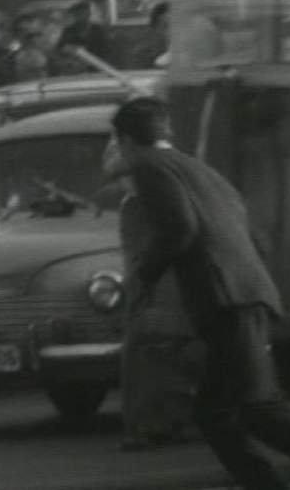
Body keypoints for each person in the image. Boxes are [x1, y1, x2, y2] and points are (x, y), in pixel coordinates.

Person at [111, 96, 290, 490]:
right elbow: (257, 236)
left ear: (126, 139)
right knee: (216, 412)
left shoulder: (148, 166)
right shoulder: (201, 170)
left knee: (260, 409)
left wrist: (142, 277)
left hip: (226, 297)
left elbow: (178, 229)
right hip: (245, 292)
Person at [102, 132, 201, 451]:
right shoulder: (154, 154)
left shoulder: (144, 158)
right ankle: (157, 422)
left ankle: (157, 422)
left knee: (151, 345)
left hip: (154, 259)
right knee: (154, 344)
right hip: (153, 244)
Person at [55, 0, 113, 70]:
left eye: (83, 13)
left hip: (98, 71)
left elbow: (107, 52)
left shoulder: (99, 31)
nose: (80, 17)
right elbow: (59, 51)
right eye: (77, 14)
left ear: (88, 14)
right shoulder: (68, 31)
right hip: (73, 72)